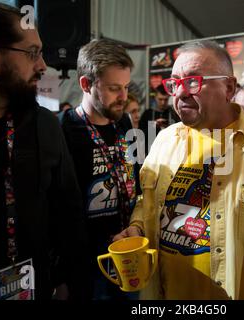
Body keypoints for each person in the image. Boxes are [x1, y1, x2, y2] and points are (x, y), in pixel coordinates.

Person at [114, 40, 244, 300]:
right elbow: (147, 202)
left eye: (193, 82)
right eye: (174, 83)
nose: (181, 93)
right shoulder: (164, 140)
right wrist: (138, 227)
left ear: (229, 87)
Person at [0, 1, 90, 300]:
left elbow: (68, 216)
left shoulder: (44, 125)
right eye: (32, 54)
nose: (43, 65)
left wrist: (67, 281)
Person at [59, 40, 140, 300]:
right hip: (86, 266)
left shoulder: (125, 123)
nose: (123, 98)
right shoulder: (64, 128)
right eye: (114, 88)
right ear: (85, 84)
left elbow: (137, 180)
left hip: (129, 254)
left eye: (126, 87)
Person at [139, 84, 180, 153]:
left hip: (170, 151)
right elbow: (139, 135)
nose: (163, 102)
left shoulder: (174, 114)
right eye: (160, 99)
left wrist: (169, 127)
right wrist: (153, 126)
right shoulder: (147, 114)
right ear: (155, 97)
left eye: (165, 100)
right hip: (151, 152)